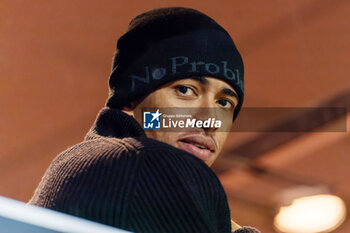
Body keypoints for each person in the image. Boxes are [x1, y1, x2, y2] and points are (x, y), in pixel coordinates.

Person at [28, 7, 260, 233]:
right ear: (131, 99)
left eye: (224, 103)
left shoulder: (105, 165)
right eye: (186, 90)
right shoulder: (134, 161)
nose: (210, 121)